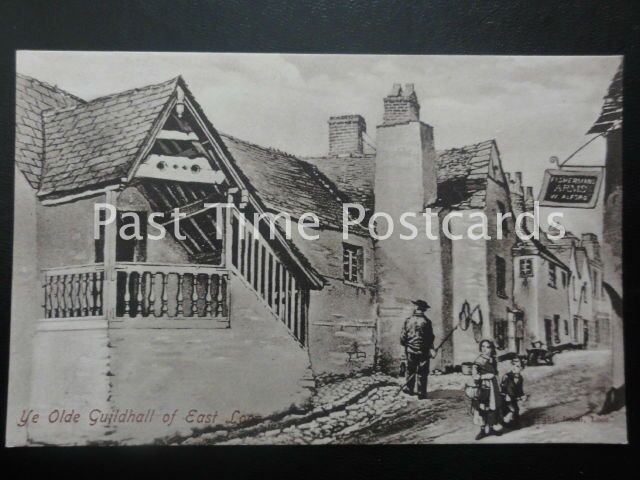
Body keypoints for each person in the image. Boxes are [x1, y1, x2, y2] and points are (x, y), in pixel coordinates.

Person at [400, 299, 436, 400]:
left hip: (410, 350)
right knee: (422, 372)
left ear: (416, 308)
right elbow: (430, 337)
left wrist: (406, 345)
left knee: (410, 370)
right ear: (424, 310)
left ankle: (409, 389)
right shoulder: (427, 322)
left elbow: (403, 337)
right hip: (423, 351)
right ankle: (421, 393)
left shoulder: (408, 320)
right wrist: (431, 349)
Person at [471, 339, 503, 440]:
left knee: (493, 406)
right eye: (483, 347)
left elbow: (496, 373)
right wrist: (483, 377)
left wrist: (499, 384)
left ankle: (492, 427)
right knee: (482, 407)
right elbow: (474, 375)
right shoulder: (478, 360)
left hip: (493, 385)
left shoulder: (493, 359)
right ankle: (483, 430)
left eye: (488, 347)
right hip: (483, 386)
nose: (485, 349)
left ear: (491, 349)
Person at [501, 357, 527, 429]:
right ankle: (505, 422)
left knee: (516, 410)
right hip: (505, 398)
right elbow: (503, 388)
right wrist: (506, 395)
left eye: (517, 366)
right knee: (510, 410)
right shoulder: (506, 376)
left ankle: (515, 424)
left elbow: (519, 389)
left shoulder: (520, 378)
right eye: (513, 365)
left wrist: (522, 395)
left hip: (513, 398)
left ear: (522, 368)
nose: (514, 367)